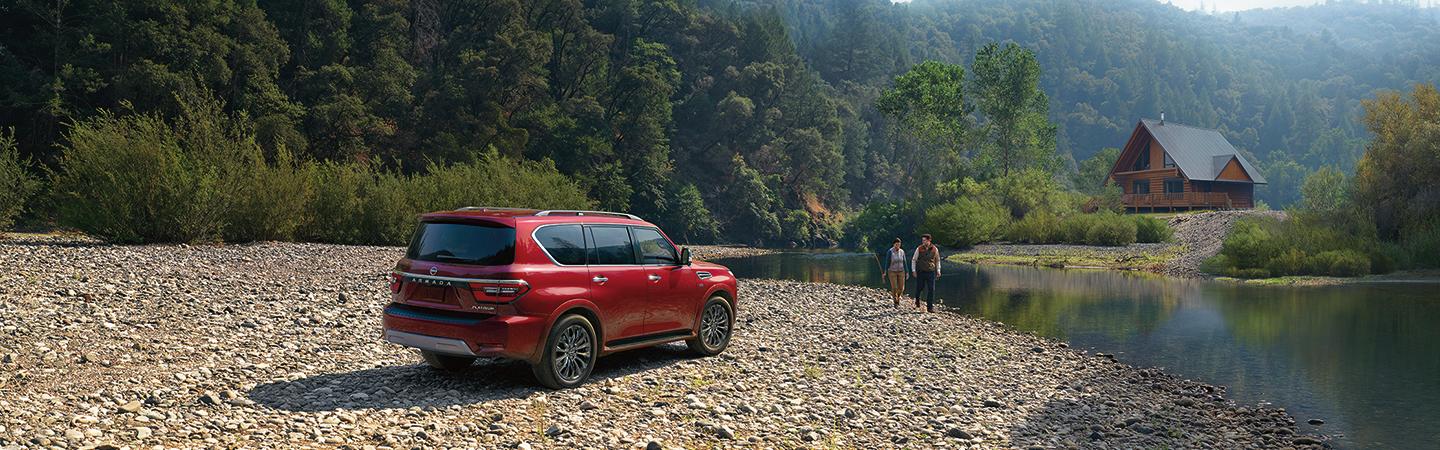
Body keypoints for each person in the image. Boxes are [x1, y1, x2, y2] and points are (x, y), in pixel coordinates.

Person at [911, 234, 941, 312]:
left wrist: (938, 270)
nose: (923, 242)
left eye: (924, 240)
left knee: (931, 289)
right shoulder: (919, 249)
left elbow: (937, 260)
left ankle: (929, 307)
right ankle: (917, 300)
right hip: (921, 272)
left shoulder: (935, 249)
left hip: (931, 272)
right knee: (919, 288)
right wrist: (913, 270)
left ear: (929, 240)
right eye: (922, 240)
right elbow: (914, 260)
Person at [880, 238, 910, 307]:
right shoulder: (890, 252)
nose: (898, 246)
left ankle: (898, 297)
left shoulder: (902, 251)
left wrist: (907, 272)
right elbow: (887, 262)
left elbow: (904, 262)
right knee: (894, 287)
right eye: (896, 244)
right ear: (894, 244)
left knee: (901, 288)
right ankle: (895, 301)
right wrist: (885, 272)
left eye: (899, 244)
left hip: (901, 271)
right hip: (892, 271)